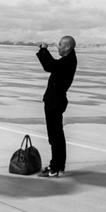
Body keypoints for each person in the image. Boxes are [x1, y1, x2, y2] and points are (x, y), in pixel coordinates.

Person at [36, 36, 77, 177]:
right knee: (58, 134)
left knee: (55, 136)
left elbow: (50, 66)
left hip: (55, 102)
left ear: (67, 48)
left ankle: (54, 168)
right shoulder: (68, 60)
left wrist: (43, 50)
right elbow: (52, 66)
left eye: (60, 45)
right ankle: (59, 165)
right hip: (55, 101)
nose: (58, 47)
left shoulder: (68, 61)